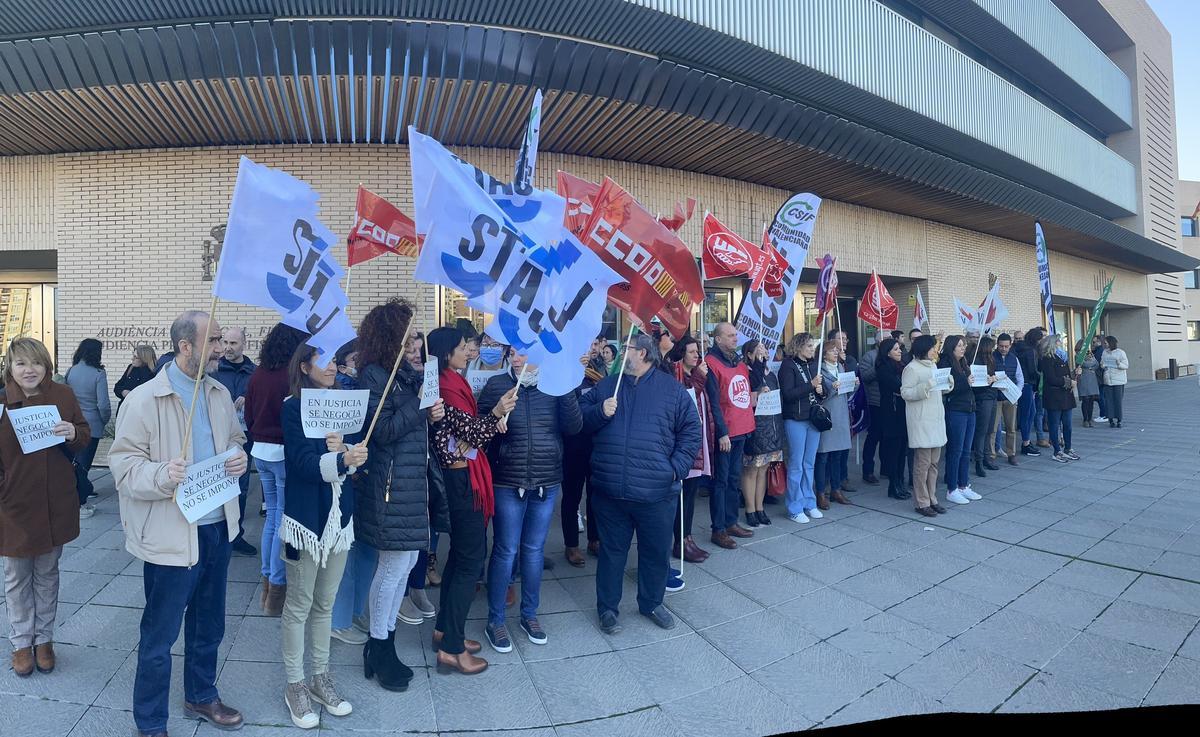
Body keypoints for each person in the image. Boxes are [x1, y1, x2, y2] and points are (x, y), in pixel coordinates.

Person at [109, 310, 248, 735]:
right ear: (185, 346)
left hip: (217, 528)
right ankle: (150, 723)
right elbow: (123, 467)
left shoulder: (220, 393)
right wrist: (161, 475)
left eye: (223, 340)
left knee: (209, 624)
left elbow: (234, 439)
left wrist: (239, 456)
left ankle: (201, 696)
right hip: (172, 535)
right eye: (214, 341)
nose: (222, 348)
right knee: (159, 636)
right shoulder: (144, 399)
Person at [354, 300, 449, 689]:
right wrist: (423, 408)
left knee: (406, 563)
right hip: (390, 489)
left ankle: (385, 640)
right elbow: (384, 430)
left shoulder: (408, 376)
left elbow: (415, 421)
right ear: (388, 339)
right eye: (407, 339)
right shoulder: (373, 376)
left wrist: (431, 411)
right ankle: (379, 646)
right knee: (391, 570)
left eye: (416, 339)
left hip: (412, 485)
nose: (415, 346)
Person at [580, 333, 701, 635]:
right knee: (612, 552)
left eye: (628, 349)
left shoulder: (672, 391)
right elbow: (579, 421)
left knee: (656, 552)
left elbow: (691, 431)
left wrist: (676, 469)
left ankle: (652, 602)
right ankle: (607, 609)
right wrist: (598, 411)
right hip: (610, 492)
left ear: (644, 354)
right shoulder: (608, 385)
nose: (623, 353)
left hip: (656, 493)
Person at [278, 344, 366, 728]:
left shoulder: (346, 403)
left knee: (325, 605)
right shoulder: (292, 407)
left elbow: (363, 455)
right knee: (299, 604)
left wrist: (350, 451)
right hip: (305, 520)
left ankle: (320, 677)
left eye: (335, 360)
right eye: (325, 360)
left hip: (339, 521)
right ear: (304, 366)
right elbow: (299, 463)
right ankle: (295, 684)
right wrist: (338, 460)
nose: (334, 366)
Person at [478, 351, 582, 652]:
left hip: (546, 481)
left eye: (524, 354)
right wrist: (494, 417)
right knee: (505, 550)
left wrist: (565, 389)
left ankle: (530, 614)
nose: (516, 359)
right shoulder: (498, 385)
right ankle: (495, 620)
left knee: (534, 552)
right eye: (513, 353)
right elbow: (479, 429)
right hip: (508, 481)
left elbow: (574, 427)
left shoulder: (553, 386)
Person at [429, 326, 516, 675]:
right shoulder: (445, 388)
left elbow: (471, 431)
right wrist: (495, 414)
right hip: (460, 480)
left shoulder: (454, 382)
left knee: (459, 560)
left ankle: (445, 630)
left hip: (466, 472)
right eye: (464, 347)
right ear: (447, 353)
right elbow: (471, 431)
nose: (470, 351)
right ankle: (451, 650)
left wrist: (488, 423)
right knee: (469, 561)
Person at [1, 337, 90, 677]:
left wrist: (73, 433)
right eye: (21, 363)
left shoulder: (62, 395)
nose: (29, 370)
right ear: (10, 366)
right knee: (16, 578)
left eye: (36, 363)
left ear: (47, 366)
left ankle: (44, 640)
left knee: (47, 575)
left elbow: (83, 434)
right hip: (14, 506)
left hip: (55, 503)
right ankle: (22, 642)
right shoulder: (2, 401)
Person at [246, 323, 309, 616]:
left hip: (260, 450)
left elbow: (248, 414)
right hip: (284, 452)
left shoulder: (258, 373)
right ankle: (276, 586)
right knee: (282, 520)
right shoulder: (292, 376)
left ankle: (267, 582)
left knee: (272, 517)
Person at [704, 322, 756, 549]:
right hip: (726, 432)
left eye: (736, 335)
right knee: (721, 481)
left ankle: (731, 520)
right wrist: (722, 432)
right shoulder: (711, 363)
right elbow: (713, 401)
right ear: (718, 339)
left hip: (742, 428)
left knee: (734, 479)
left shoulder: (739, 362)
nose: (736, 338)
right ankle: (719, 529)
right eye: (731, 335)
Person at [561, 335, 607, 566]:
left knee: (595, 493)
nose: (592, 349)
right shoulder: (566, 372)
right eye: (587, 345)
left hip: (597, 442)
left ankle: (594, 539)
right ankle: (571, 544)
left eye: (595, 345)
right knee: (571, 495)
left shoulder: (600, 371)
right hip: (572, 445)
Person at [666, 334, 713, 561]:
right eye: (692, 351)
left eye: (698, 351)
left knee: (691, 493)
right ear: (681, 352)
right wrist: (699, 377)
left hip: (698, 442)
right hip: (682, 444)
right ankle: (679, 540)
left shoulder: (696, 372)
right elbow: (685, 401)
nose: (697, 355)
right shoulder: (675, 373)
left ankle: (688, 538)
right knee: (681, 496)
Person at [213, 327, 258, 557]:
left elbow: (263, 402)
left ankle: (235, 535)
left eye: (233, 343)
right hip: (217, 437)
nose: (228, 348)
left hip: (244, 438)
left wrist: (249, 398)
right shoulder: (214, 370)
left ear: (243, 345)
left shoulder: (255, 373)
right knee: (218, 486)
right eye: (225, 342)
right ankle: (216, 535)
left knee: (240, 487)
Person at [901, 335, 949, 518]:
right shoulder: (911, 368)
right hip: (921, 422)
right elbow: (905, 392)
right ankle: (921, 501)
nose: (935, 351)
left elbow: (936, 389)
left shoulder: (933, 365)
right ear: (923, 349)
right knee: (922, 464)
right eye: (932, 348)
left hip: (935, 419)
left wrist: (947, 384)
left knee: (934, 464)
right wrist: (926, 386)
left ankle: (932, 498)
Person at [779, 333, 825, 523]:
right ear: (798, 347)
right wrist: (811, 385)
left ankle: (809, 502)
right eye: (808, 346)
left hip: (813, 419)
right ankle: (794, 506)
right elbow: (788, 394)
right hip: (795, 419)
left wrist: (822, 391)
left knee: (809, 463)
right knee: (796, 464)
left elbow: (818, 392)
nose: (811, 349)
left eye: (812, 346)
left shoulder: (813, 364)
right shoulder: (788, 366)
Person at [740, 339, 784, 529]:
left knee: (764, 468)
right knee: (751, 469)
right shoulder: (747, 372)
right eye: (758, 350)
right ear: (749, 355)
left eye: (764, 349)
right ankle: (750, 508)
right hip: (756, 426)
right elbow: (744, 399)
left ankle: (760, 507)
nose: (763, 352)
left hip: (772, 425)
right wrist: (758, 393)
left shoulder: (771, 372)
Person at [64, 338, 110, 519]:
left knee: (75, 462)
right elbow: (104, 404)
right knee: (84, 464)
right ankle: (80, 499)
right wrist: (104, 421)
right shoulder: (99, 373)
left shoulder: (71, 371)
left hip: (73, 422)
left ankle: (80, 491)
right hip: (92, 423)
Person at [938, 336, 979, 505]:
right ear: (951, 347)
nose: (963, 348)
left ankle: (963, 485)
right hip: (956, 410)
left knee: (966, 450)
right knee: (955, 450)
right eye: (960, 346)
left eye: (964, 345)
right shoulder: (945, 363)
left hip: (970, 409)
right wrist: (965, 381)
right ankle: (952, 488)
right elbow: (947, 388)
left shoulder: (964, 363)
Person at [814, 340, 854, 509]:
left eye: (837, 350)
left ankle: (836, 489)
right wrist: (832, 389)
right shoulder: (818, 371)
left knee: (838, 455)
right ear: (824, 354)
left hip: (841, 415)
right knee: (823, 456)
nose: (836, 353)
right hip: (827, 416)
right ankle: (821, 492)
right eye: (832, 351)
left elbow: (846, 392)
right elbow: (820, 396)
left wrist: (853, 385)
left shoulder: (841, 368)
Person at [874, 338, 909, 500]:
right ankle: (893, 485)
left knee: (903, 451)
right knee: (894, 452)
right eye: (896, 349)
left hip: (903, 411)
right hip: (891, 413)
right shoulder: (883, 367)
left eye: (900, 349)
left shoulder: (902, 366)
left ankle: (900, 483)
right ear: (887, 352)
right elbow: (898, 386)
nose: (899, 351)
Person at [1039, 335, 1080, 463]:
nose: (1060, 343)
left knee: (1067, 424)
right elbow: (1051, 378)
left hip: (1066, 396)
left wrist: (1075, 373)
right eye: (1058, 341)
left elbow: (1066, 375)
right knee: (1054, 424)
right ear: (1052, 343)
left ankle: (1068, 448)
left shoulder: (1063, 357)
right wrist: (1069, 383)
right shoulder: (1047, 358)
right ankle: (1057, 451)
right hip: (1054, 397)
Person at [827, 329, 858, 494]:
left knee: (844, 446)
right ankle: (829, 483)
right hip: (832, 410)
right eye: (840, 338)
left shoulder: (850, 359)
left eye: (846, 338)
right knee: (830, 450)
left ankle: (842, 478)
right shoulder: (824, 363)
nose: (844, 341)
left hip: (845, 407)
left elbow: (850, 380)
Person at [857, 329, 889, 485]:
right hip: (875, 402)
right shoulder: (869, 357)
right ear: (878, 341)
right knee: (874, 436)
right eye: (887, 338)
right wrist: (878, 366)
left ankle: (886, 468)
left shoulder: (893, 355)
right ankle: (868, 470)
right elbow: (864, 377)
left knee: (887, 436)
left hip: (889, 402)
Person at [989, 333, 1024, 466]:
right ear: (997, 345)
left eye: (1006, 346)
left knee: (1011, 428)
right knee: (993, 428)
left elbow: (1020, 377)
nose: (1003, 349)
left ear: (1010, 345)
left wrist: (1017, 393)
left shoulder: (1014, 359)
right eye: (1001, 346)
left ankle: (1011, 454)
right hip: (996, 397)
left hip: (1010, 397)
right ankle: (992, 454)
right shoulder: (991, 357)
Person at [971, 336, 1000, 478]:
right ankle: (979, 461)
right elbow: (977, 383)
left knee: (989, 430)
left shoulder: (991, 359)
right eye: (992, 347)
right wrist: (988, 380)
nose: (994, 349)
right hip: (983, 398)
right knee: (981, 431)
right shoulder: (977, 361)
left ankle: (988, 457)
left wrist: (994, 378)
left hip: (992, 396)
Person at [1014, 327, 1045, 457]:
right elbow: (1033, 370)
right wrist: (1042, 377)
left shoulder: (1017, 348)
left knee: (1028, 413)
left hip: (1020, 383)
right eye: (1041, 338)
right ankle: (1026, 444)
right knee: (1028, 414)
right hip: (1027, 384)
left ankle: (1026, 441)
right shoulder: (1031, 351)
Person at [115, 344, 157, 409]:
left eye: (135, 357)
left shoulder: (153, 373)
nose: (132, 359)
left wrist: (132, 394)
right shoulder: (131, 368)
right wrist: (123, 392)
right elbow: (117, 386)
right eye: (133, 355)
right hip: (125, 411)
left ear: (144, 358)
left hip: (142, 414)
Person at [1100, 336, 1128, 428]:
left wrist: (1118, 363)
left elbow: (1126, 365)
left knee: (1117, 400)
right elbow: (1102, 363)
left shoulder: (1121, 352)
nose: (1105, 344)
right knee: (1109, 401)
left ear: (1111, 343)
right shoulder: (1105, 352)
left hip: (1118, 380)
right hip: (1108, 380)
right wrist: (1103, 365)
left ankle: (1119, 420)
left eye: (1106, 342)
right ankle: (1110, 419)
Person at [1076, 339, 1101, 427]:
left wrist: (1092, 366)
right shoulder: (1078, 354)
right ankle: (1085, 419)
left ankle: (1090, 419)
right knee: (1085, 399)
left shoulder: (1090, 353)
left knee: (1091, 400)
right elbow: (1084, 364)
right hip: (1083, 379)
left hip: (1092, 379)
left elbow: (1097, 364)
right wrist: (1092, 363)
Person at [1092, 335, 1109, 422]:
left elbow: (1096, 364)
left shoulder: (1099, 351)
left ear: (1099, 342)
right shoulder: (1098, 351)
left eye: (1094, 342)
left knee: (1100, 397)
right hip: (1100, 377)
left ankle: (1104, 414)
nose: (1093, 344)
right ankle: (1104, 414)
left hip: (1099, 378)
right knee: (1101, 396)